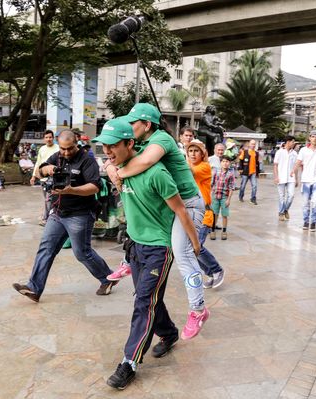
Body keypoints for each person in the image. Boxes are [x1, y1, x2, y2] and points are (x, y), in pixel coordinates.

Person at [93, 119, 199, 390]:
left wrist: (196, 245)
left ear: (130, 143)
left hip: (158, 249)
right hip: (136, 245)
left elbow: (181, 211)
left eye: (113, 146)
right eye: (104, 146)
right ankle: (168, 332)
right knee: (149, 297)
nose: (107, 151)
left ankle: (129, 362)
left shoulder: (157, 173)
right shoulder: (119, 168)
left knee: (144, 301)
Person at [105, 103, 209, 341]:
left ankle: (198, 310)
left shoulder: (161, 139)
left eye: (133, 123)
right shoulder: (140, 141)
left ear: (147, 125)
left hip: (188, 204)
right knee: (137, 214)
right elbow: (115, 157)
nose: (129, 127)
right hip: (170, 203)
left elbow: (142, 163)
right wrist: (111, 166)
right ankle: (129, 260)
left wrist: (117, 173)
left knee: (184, 255)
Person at [12, 131, 116, 302]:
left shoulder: (86, 160)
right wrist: (47, 169)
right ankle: (34, 288)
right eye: (62, 149)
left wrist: (72, 190)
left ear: (77, 144)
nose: (66, 152)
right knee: (46, 248)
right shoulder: (57, 157)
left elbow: (95, 187)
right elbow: (39, 173)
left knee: (82, 253)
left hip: (80, 214)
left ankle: (108, 277)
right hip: (58, 212)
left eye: (70, 148)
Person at [187, 140, 226, 288]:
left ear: (203, 153)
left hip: (205, 214)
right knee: (190, 250)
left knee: (197, 246)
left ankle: (217, 270)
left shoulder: (204, 167)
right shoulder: (189, 164)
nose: (193, 154)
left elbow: (188, 171)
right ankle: (210, 272)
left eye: (196, 151)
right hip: (191, 214)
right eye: (190, 151)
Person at [290, 132, 316, 232]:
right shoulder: (303, 150)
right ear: (309, 138)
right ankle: (306, 221)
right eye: (312, 137)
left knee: (315, 202)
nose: (314, 139)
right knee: (305, 203)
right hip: (306, 180)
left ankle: (313, 222)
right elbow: (298, 162)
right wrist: (293, 171)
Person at [32, 130, 60, 225]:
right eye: (46, 137)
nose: (48, 139)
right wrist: (34, 176)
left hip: (53, 178)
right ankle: (48, 216)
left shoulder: (58, 148)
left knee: (49, 199)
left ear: (53, 138)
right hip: (43, 179)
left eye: (50, 137)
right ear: (44, 138)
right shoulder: (42, 149)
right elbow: (38, 163)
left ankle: (47, 218)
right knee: (47, 199)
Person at [273, 136, 298, 221]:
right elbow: (275, 165)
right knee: (281, 196)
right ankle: (281, 213)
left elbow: (296, 167)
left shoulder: (294, 153)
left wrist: (296, 179)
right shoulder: (279, 152)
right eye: (293, 142)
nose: (294, 143)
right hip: (281, 177)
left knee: (291, 195)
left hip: (291, 178)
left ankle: (285, 209)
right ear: (288, 142)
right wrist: (276, 177)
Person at [211, 155, 235, 240]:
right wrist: (211, 196)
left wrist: (229, 199)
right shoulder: (215, 171)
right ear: (220, 163)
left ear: (229, 163)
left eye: (227, 162)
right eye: (223, 161)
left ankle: (224, 231)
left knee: (224, 215)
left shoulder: (231, 174)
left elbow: (232, 187)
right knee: (214, 214)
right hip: (215, 196)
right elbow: (212, 184)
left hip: (224, 197)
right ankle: (212, 230)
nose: (225, 163)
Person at [238, 139, 259, 204]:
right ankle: (241, 197)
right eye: (252, 144)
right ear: (249, 144)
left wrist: (258, 172)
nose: (253, 145)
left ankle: (253, 199)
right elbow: (240, 161)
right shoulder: (245, 152)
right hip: (245, 172)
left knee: (254, 186)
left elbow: (257, 163)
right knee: (243, 186)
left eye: (254, 144)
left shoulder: (256, 153)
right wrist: (240, 169)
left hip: (253, 172)